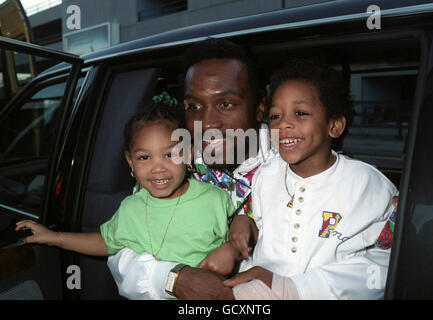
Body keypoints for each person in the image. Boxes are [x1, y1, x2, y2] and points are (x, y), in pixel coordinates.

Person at [107, 38, 271, 300]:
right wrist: (174, 278)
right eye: (194, 106)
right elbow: (125, 252)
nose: (207, 123)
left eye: (226, 104)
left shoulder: (297, 167)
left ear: (260, 107)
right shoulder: (171, 161)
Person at [220, 59, 398, 299]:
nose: (283, 123)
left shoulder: (368, 185)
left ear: (334, 125)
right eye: (275, 116)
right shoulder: (266, 175)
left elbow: (389, 262)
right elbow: (257, 222)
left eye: (300, 113)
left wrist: (296, 289)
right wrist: (243, 221)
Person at [15, 99, 237, 277]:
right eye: (144, 157)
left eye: (170, 154)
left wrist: (232, 249)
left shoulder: (214, 198)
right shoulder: (131, 209)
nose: (157, 168)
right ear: (130, 162)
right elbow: (105, 242)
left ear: (188, 154)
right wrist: (54, 237)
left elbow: (245, 234)